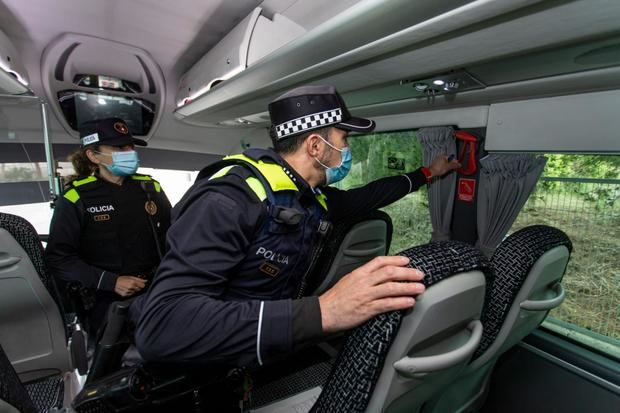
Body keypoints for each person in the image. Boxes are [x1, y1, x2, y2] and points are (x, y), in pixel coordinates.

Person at [131, 86, 459, 367]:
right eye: (344, 139)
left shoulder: (311, 199)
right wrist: (324, 312)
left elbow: (369, 195)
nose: (348, 150)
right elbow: (162, 325)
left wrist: (429, 173)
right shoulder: (230, 198)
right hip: (210, 364)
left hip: (265, 349)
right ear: (316, 146)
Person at [45, 117, 172, 337]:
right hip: (106, 301)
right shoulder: (77, 197)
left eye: (130, 146)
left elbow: (173, 236)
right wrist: (111, 282)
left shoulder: (150, 188)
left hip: (157, 291)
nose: (129, 152)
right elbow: (59, 259)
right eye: (119, 147)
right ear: (93, 155)